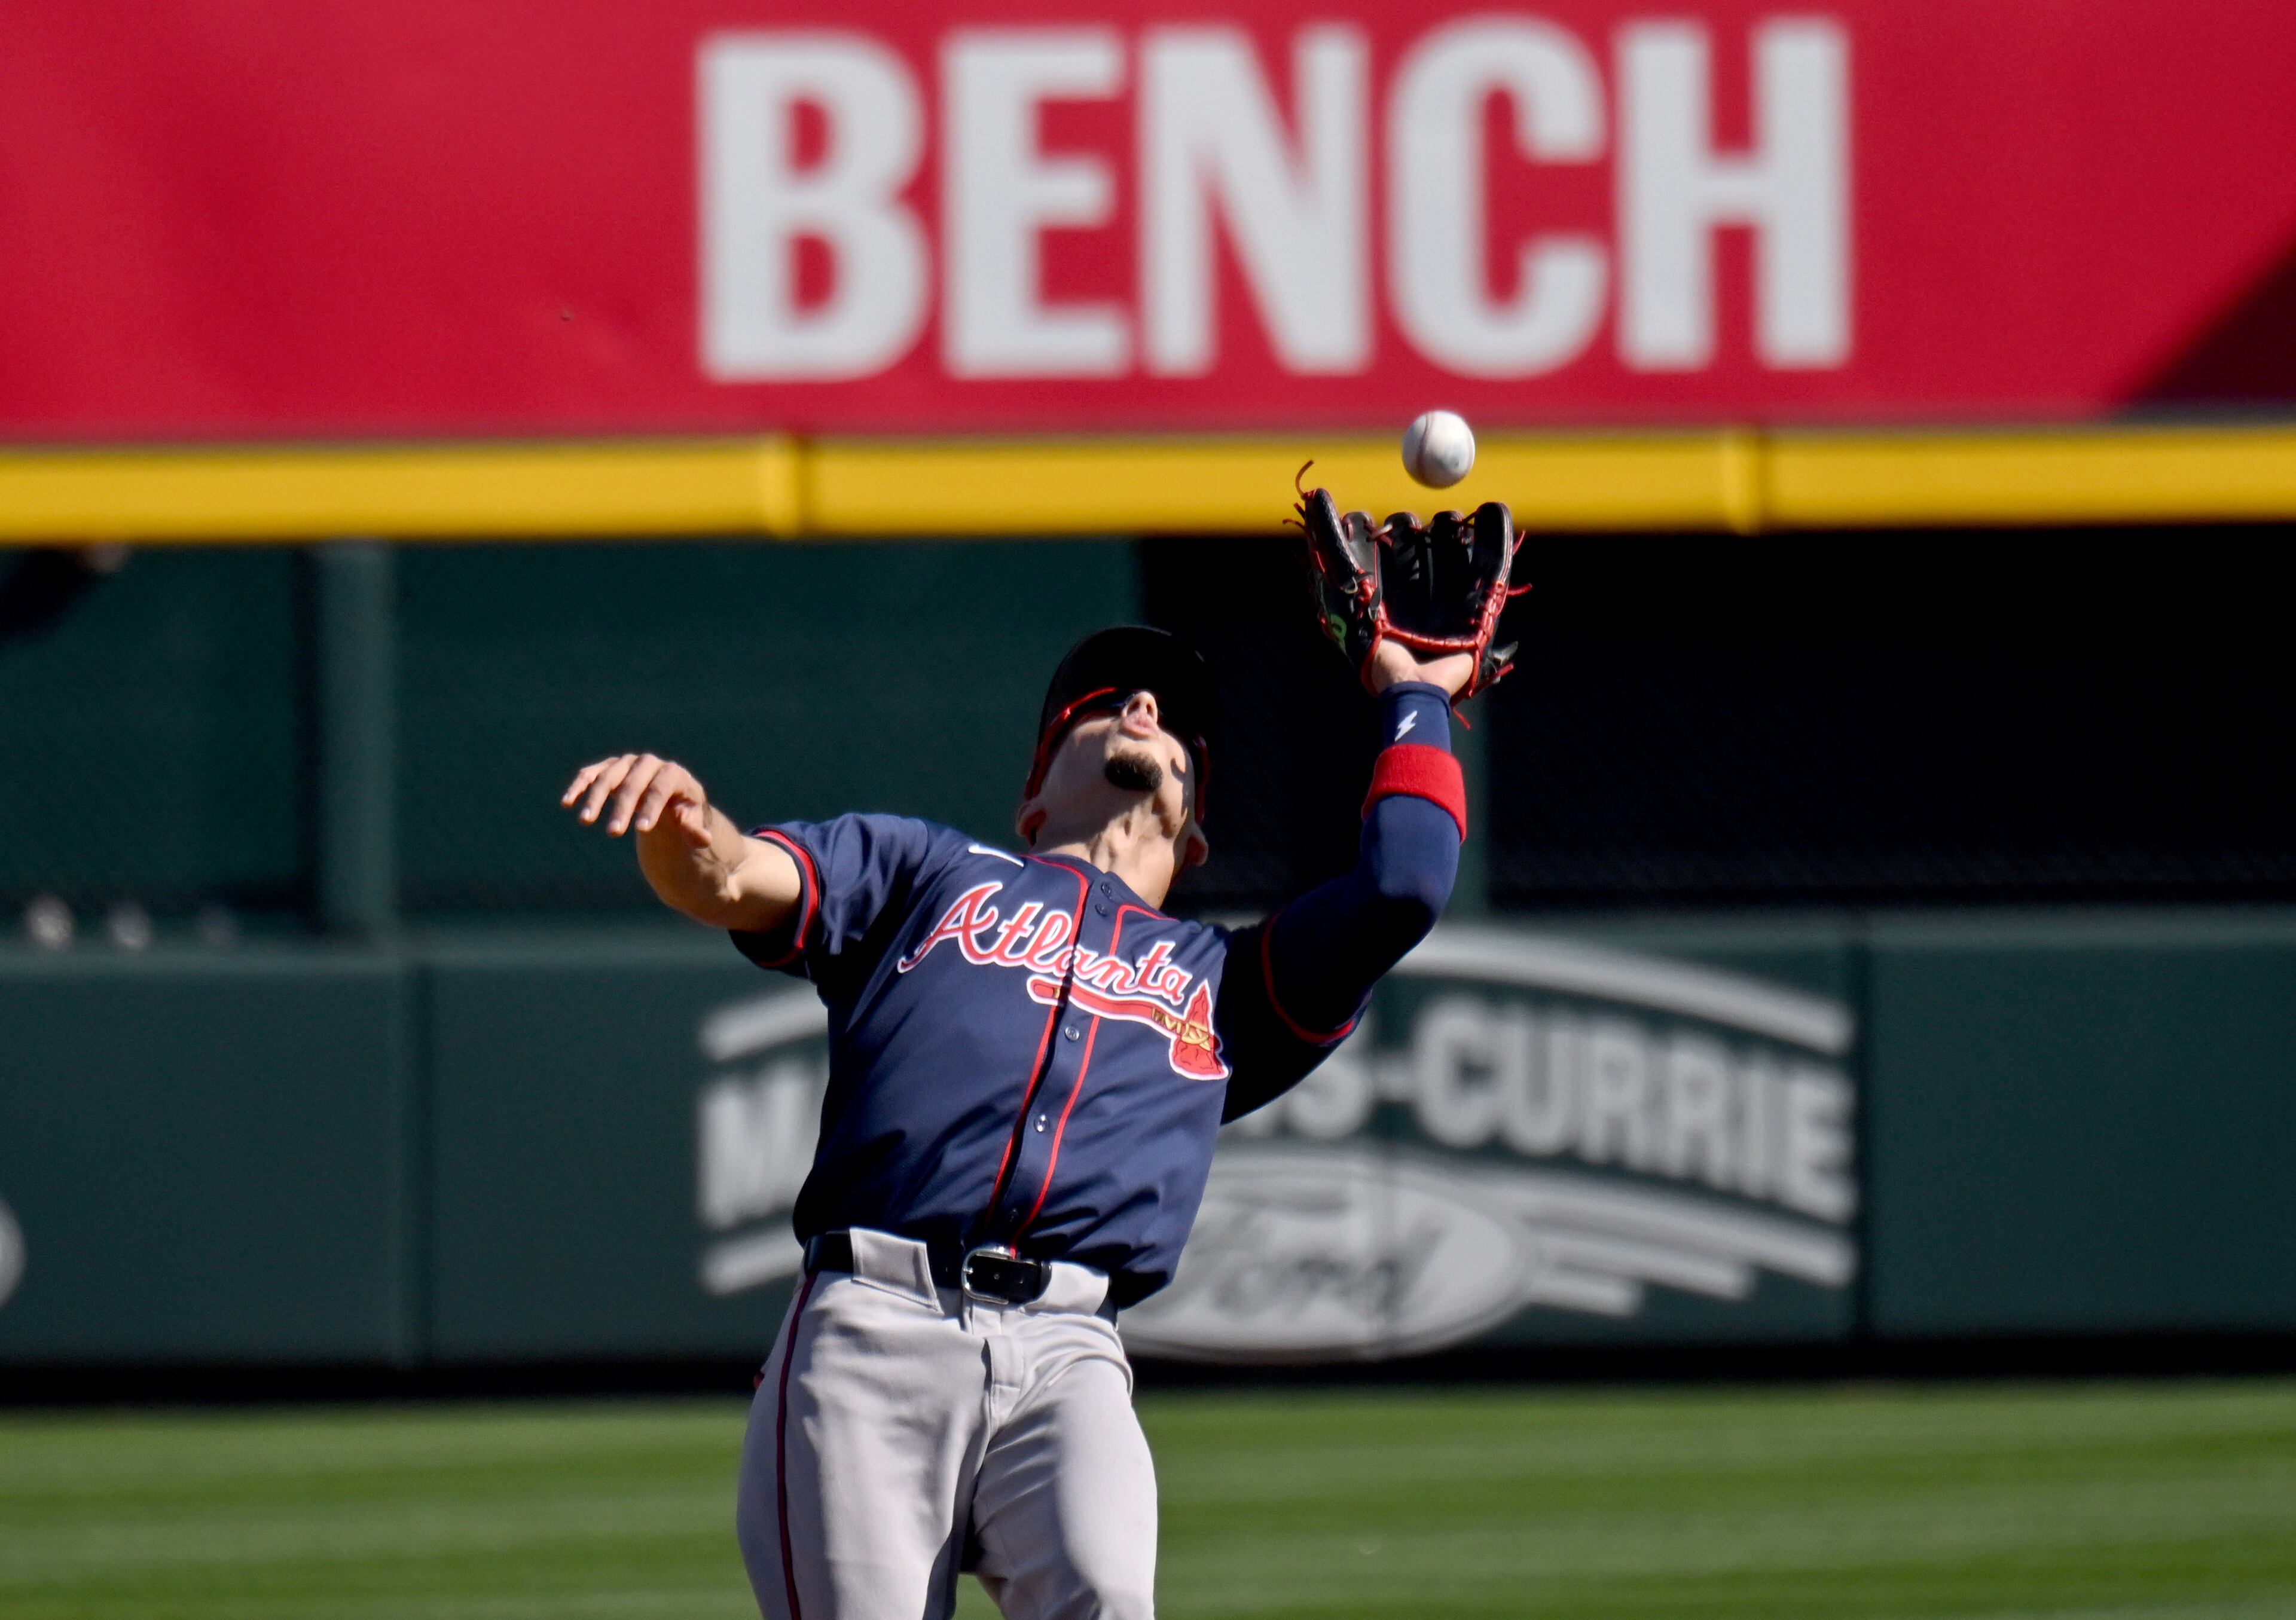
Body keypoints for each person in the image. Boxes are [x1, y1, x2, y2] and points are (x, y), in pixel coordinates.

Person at [561, 625, 1474, 1620]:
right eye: (1105, 703)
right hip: (875, 1327)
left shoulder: (1229, 988)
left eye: (1171, 723)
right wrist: (682, 828)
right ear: (1033, 792)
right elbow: (731, 877)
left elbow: (1404, 887)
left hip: (1071, 1352)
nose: (1142, 711)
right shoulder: (929, 872)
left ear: (1194, 825)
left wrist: (1413, 696)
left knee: (1111, 1599)